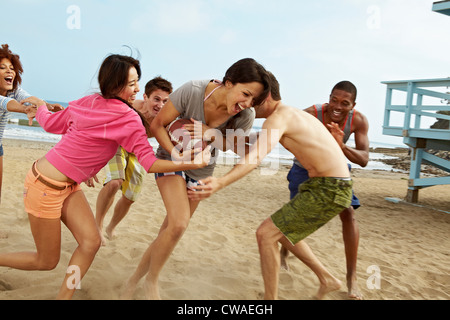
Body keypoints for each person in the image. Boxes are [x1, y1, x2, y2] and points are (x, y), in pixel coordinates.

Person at [0, 54, 210, 300]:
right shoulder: (123, 116)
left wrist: (43, 109)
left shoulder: (91, 103)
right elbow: (150, 163)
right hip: (44, 185)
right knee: (46, 261)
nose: (137, 88)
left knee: (91, 243)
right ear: (114, 83)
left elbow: (51, 125)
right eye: (131, 83)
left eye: (137, 82)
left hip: (66, 186)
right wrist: (191, 161)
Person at [188, 73, 353, 300]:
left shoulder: (277, 119)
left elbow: (255, 158)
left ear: (265, 98)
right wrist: (211, 132)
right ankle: (327, 280)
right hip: (326, 185)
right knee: (282, 232)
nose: (248, 105)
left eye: (253, 100)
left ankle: (270, 300)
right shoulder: (291, 114)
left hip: (330, 187)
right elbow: (246, 142)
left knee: (265, 235)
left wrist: (221, 181)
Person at [121, 58, 270, 300]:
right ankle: (152, 281)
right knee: (179, 224)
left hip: (202, 170)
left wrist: (211, 134)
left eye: (252, 99)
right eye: (245, 94)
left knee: (169, 231)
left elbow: (237, 147)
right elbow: (158, 125)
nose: (247, 103)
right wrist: (176, 154)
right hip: (171, 158)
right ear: (228, 83)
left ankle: (133, 280)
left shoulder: (245, 115)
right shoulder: (193, 91)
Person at [281, 81, 369, 300]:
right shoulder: (311, 114)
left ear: (353, 105)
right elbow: (285, 134)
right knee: (295, 219)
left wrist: (341, 146)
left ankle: (351, 278)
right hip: (305, 168)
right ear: (328, 98)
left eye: (345, 103)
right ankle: (283, 254)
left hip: (336, 167)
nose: (337, 106)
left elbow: (365, 159)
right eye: (334, 100)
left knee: (348, 212)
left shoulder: (358, 121)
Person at [95, 76, 173, 245]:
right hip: (116, 144)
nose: (160, 105)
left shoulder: (164, 120)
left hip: (136, 150)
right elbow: (103, 121)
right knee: (114, 182)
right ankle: (98, 226)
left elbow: (170, 140)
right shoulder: (130, 106)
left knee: (131, 196)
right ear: (145, 97)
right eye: (156, 99)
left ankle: (111, 227)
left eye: (165, 101)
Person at [0, 44, 63, 204]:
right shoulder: (8, 98)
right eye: (2, 68)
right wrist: (24, 110)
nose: (9, 71)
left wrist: (47, 106)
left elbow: (29, 99)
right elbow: (8, 103)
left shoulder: (14, 90)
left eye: (12, 68)